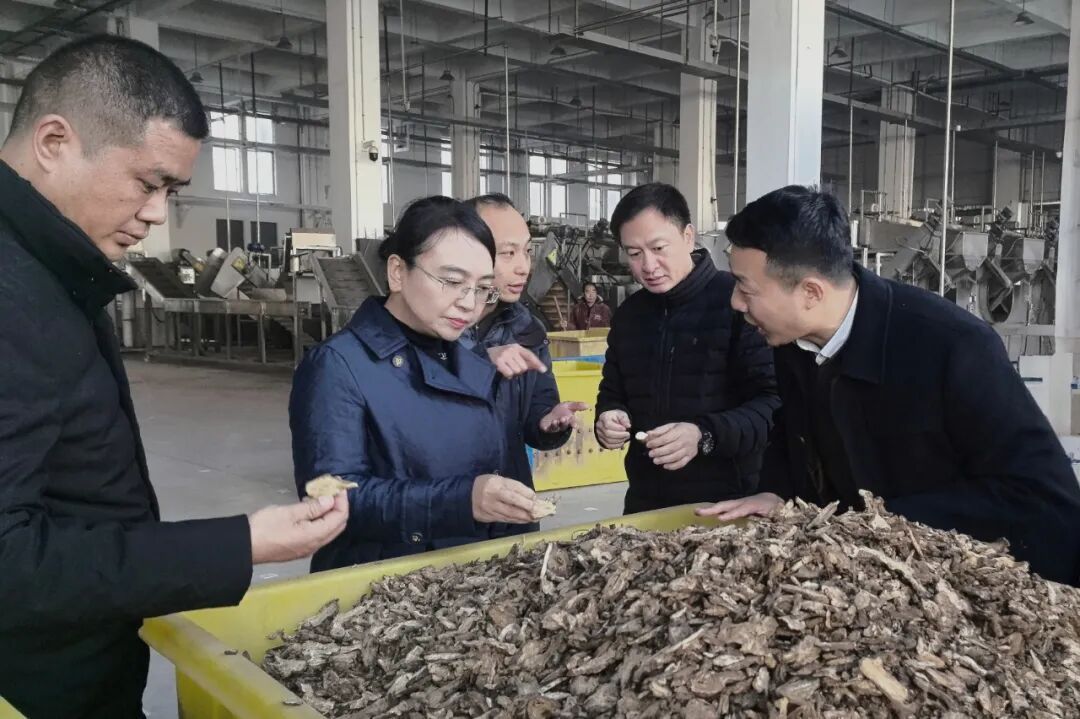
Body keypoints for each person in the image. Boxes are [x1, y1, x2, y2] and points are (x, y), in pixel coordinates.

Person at [0, 36, 347, 718]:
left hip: (78, 657)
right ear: (54, 142)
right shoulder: (11, 294)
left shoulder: (48, 272)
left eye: (172, 191)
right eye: (148, 182)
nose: (159, 213)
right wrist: (240, 544)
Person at [698, 185, 1080, 586]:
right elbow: (791, 432)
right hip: (858, 575)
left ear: (811, 292)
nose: (735, 302)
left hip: (953, 581)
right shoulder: (793, 342)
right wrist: (779, 493)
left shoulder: (953, 347)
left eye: (746, 288)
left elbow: (1042, 500)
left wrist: (877, 525)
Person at [290, 196, 547, 571]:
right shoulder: (337, 366)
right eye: (453, 281)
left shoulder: (473, 362)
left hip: (469, 575)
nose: (469, 304)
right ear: (397, 272)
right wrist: (461, 501)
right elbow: (330, 498)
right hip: (384, 584)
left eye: (482, 288)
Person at [594, 183, 780, 513]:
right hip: (646, 503)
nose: (648, 265)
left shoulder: (737, 304)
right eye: (634, 254)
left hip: (728, 505)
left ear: (688, 237)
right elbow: (613, 392)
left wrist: (703, 434)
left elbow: (772, 405)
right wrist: (609, 418)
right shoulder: (629, 316)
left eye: (658, 248)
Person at [460, 193, 587, 534]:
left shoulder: (527, 329)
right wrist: (480, 361)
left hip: (512, 511)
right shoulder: (432, 330)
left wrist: (548, 422)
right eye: (508, 253)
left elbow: (537, 409)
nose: (524, 266)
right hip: (448, 516)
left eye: (527, 251)